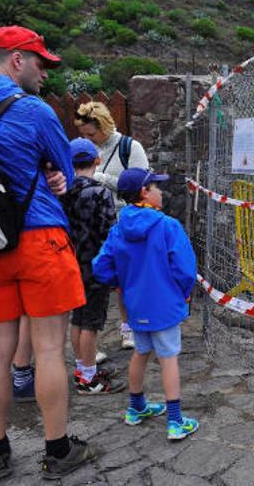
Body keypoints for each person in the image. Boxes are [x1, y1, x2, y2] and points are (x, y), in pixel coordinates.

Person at [0, 25, 94, 480]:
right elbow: (66, 170)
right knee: (49, 348)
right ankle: (57, 450)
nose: (44, 74)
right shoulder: (33, 109)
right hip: (39, 239)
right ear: (16, 59)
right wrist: (59, 179)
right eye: (40, 63)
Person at [93, 167, 199, 440]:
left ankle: (136, 407)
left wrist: (121, 283)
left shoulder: (118, 230)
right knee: (168, 358)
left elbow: (101, 267)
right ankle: (175, 421)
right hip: (164, 305)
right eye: (156, 186)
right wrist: (183, 293)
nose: (161, 191)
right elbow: (186, 270)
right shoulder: (167, 226)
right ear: (144, 192)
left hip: (136, 305)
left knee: (141, 352)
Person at [74, 101, 149, 350]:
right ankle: (91, 338)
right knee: (96, 280)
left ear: (104, 125)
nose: (88, 139)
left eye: (91, 134)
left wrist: (100, 178)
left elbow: (141, 186)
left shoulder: (130, 147)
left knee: (126, 279)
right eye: (84, 135)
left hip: (125, 223)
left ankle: (128, 328)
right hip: (95, 224)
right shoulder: (87, 149)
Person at [62, 138, 125, 395]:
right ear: (97, 161)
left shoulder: (63, 192)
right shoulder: (100, 193)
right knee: (91, 323)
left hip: (72, 264)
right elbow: (110, 233)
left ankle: (82, 368)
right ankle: (88, 380)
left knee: (78, 318)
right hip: (95, 266)